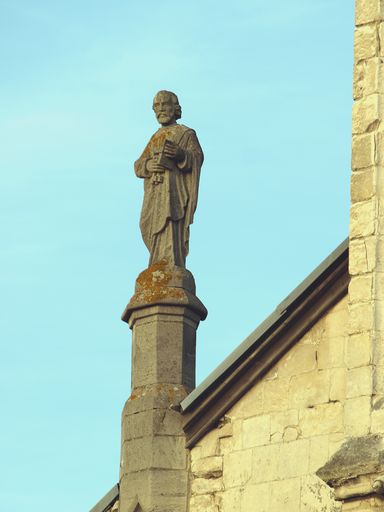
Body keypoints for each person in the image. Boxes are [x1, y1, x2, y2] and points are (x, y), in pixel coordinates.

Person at [134, 90, 204, 268]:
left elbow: (197, 157)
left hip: (174, 193)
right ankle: (157, 264)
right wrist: (148, 165)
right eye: (156, 106)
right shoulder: (156, 137)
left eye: (165, 104)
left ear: (175, 108)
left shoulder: (186, 133)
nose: (160, 109)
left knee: (171, 224)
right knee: (148, 225)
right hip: (155, 194)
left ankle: (171, 264)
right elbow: (139, 164)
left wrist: (181, 155)